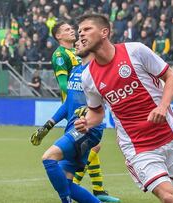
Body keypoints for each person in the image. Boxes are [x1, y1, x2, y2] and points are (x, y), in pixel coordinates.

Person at [75, 14, 173, 203]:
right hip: (138, 147)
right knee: (169, 198)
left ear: (104, 32)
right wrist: (87, 122)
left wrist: (163, 107)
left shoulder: (135, 51)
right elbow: (97, 112)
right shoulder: (88, 77)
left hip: (170, 136)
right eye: (79, 31)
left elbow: (171, 76)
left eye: (87, 29)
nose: (81, 34)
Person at [31, 40, 120, 203]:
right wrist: (49, 125)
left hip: (87, 129)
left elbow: (106, 99)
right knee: (67, 184)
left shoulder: (97, 70)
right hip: (73, 128)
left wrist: (89, 111)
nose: (77, 43)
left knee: (48, 157)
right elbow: (69, 103)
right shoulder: (76, 70)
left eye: (82, 41)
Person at [51, 22, 80, 103]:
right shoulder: (59, 55)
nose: (72, 31)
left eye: (71, 29)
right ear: (58, 36)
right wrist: (78, 98)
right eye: (67, 30)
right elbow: (63, 83)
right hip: (73, 102)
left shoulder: (77, 50)